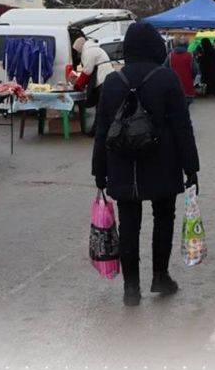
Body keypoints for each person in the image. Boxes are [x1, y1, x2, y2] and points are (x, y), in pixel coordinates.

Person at [92, 22, 200, 307]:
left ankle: (131, 288)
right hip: (162, 161)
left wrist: (99, 171)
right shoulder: (167, 78)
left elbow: (102, 130)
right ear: (155, 47)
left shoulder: (113, 82)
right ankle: (160, 276)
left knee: (129, 224)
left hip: (122, 164)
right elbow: (182, 127)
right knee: (164, 218)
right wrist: (192, 167)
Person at [70, 36, 115, 108]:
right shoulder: (97, 49)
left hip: (102, 81)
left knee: (102, 107)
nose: (78, 53)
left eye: (78, 51)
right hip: (109, 79)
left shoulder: (89, 52)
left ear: (80, 48)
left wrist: (78, 85)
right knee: (104, 107)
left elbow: (87, 71)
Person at [165, 36, 198, 105]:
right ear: (187, 45)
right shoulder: (190, 56)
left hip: (173, 88)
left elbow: (164, 70)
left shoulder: (170, 56)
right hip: (187, 87)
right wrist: (191, 78)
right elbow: (195, 70)